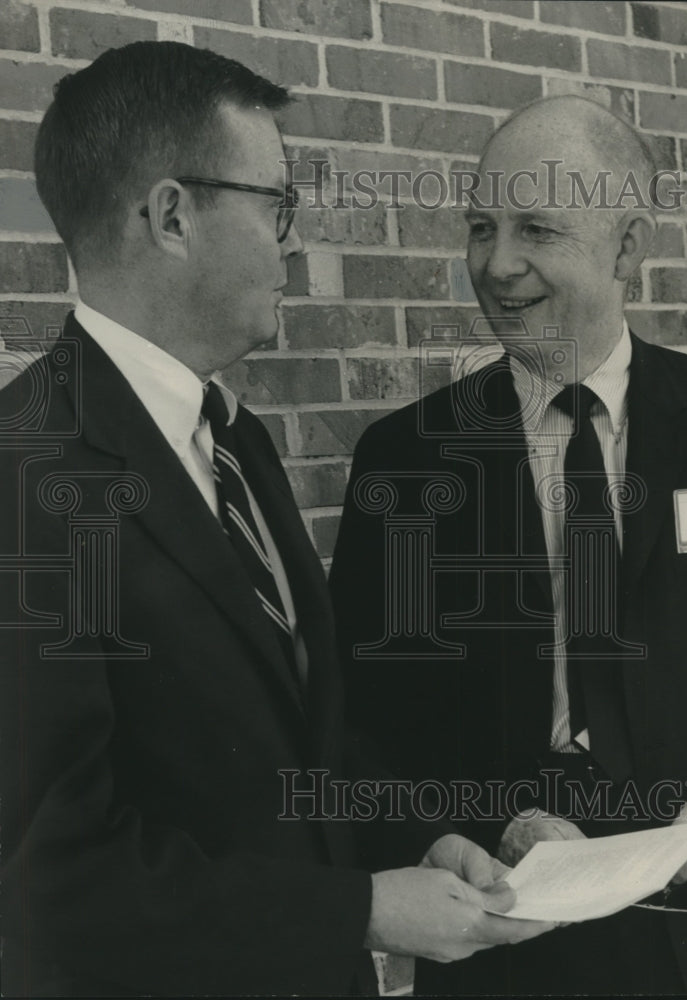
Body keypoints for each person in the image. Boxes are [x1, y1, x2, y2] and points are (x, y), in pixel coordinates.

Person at [0, 42, 556, 997]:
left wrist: (422, 838)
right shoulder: (25, 475)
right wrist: (364, 909)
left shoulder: (233, 440)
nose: (291, 242)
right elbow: (46, 879)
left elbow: (300, 740)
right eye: (277, 206)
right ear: (173, 216)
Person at [330, 95, 687, 995]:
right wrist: (482, 828)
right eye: (480, 227)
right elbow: (365, 724)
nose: (497, 264)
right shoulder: (406, 459)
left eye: (536, 229)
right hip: (507, 929)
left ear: (628, 246)